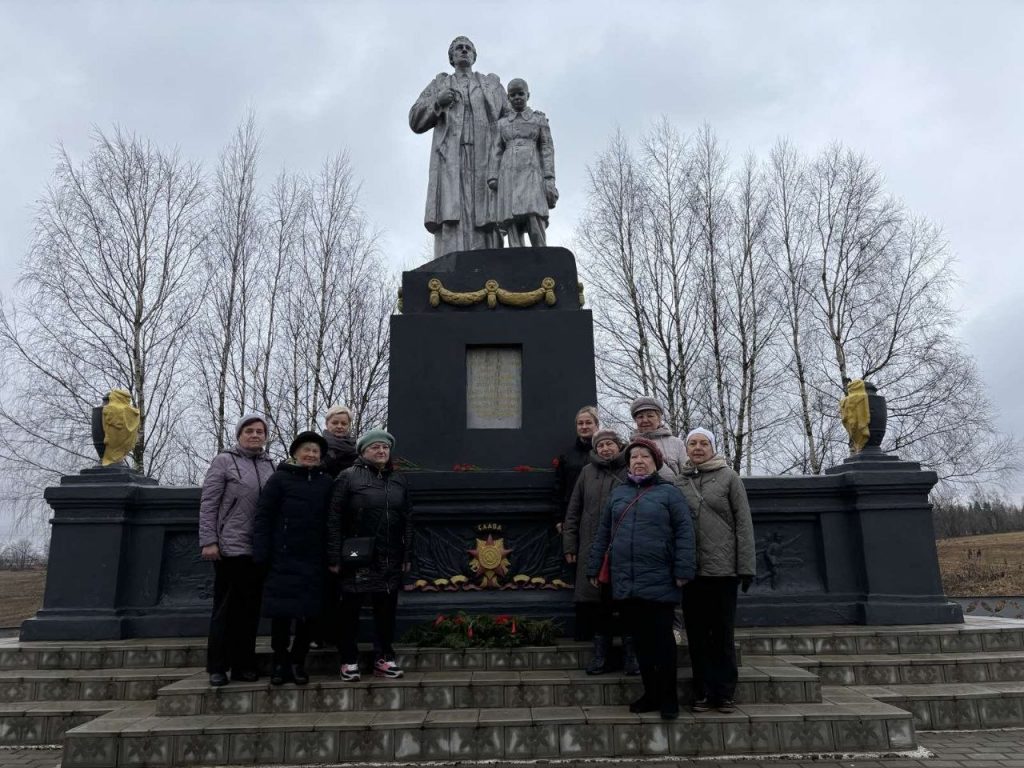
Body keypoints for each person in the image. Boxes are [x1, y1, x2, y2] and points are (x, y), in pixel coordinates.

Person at [587, 438, 695, 720]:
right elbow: (604, 533)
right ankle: (651, 694)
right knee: (640, 642)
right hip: (626, 579)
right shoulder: (619, 494)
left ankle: (669, 698)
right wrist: (594, 567)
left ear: (655, 462)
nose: (638, 461)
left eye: (645, 456)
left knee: (662, 641)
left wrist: (683, 570)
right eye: (634, 457)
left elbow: (685, 533)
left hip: (660, 579)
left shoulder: (669, 493)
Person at [675, 428, 756, 714]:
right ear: (686, 449)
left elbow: (743, 523)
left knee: (722, 634)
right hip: (692, 571)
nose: (698, 448)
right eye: (692, 443)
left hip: (723, 571)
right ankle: (702, 691)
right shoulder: (679, 481)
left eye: (703, 443)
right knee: (696, 636)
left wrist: (745, 567)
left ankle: (724, 692)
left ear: (712, 447)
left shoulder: (729, 477)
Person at [409, 36, 511, 258]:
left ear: (474, 55)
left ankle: (489, 261)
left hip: (486, 156)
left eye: (468, 48)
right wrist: (438, 102)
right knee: (451, 210)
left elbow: (511, 117)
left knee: (487, 211)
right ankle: (451, 259)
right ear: (451, 57)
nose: (464, 51)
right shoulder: (439, 85)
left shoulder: (491, 85)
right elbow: (415, 119)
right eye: (458, 48)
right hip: (451, 158)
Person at [327, 429, 414, 681]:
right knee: (350, 610)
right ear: (363, 451)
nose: (381, 451)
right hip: (357, 556)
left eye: (385, 447)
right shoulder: (348, 477)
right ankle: (348, 660)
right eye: (375, 447)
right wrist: (334, 556)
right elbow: (333, 519)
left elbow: (408, 519)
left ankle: (384, 657)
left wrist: (407, 555)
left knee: (386, 612)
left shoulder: (398, 480)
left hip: (390, 556)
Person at [198, 414, 276, 687]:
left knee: (250, 609)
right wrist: (209, 540)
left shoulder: (269, 464)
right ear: (239, 434)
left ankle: (244, 664)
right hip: (230, 546)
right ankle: (218, 666)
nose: (255, 435)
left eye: (260, 432)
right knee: (226, 609)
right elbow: (209, 502)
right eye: (249, 431)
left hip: (259, 548)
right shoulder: (224, 461)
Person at [252, 431, 333, 686]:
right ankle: (280, 661)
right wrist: (261, 551)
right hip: (282, 557)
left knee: (309, 614)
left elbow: (333, 521)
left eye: (315, 451)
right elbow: (263, 516)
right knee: (281, 614)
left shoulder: (326, 482)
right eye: (306, 450)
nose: (311, 454)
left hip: (314, 558)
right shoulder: (279, 479)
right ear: (295, 453)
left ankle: (298, 660)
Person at [562, 428, 629, 675]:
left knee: (626, 602)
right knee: (600, 603)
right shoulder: (587, 472)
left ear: (619, 446)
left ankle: (631, 657)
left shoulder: (629, 469)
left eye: (610, 444)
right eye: (600, 445)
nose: (605, 449)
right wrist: (570, 544)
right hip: (593, 547)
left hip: (625, 547)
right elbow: (573, 510)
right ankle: (601, 656)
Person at [487, 78, 558, 247]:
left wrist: (549, 177)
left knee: (534, 214)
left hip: (532, 171)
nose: (517, 97)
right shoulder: (502, 123)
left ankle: (541, 253)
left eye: (520, 93)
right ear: (508, 98)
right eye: (513, 95)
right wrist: (493, 175)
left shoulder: (538, 120)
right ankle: (516, 252)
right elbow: (496, 150)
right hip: (508, 173)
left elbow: (547, 149)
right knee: (511, 219)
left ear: (528, 95)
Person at [555, 406, 599, 534]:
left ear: (596, 425)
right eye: (580, 423)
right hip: (574, 516)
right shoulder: (567, 456)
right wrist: (559, 518)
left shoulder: (604, 452)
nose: (584, 427)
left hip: (599, 515)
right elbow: (559, 488)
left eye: (588, 423)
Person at [629, 396, 686, 478]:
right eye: (640, 417)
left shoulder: (676, 443)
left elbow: (687, 475)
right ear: (635, 420)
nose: (645, 420)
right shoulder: (630, 446)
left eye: (650, 416)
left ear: (659, 418)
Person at [322, 405, 358, 478]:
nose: (339, 426)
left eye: (344, 424)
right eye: (335, 423)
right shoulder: (319, 448)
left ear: (348, 425)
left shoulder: (356, 451)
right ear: (326, 424)